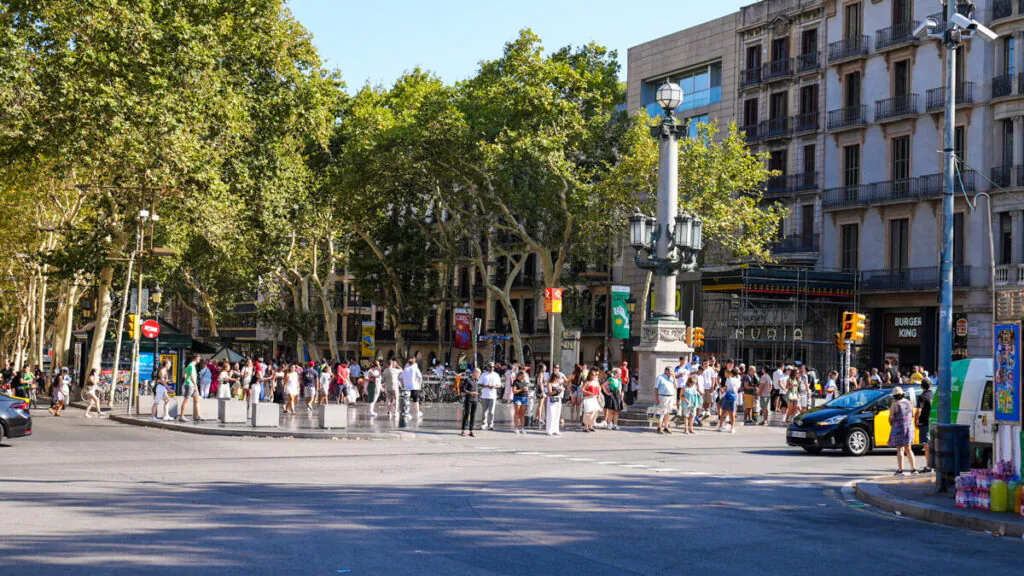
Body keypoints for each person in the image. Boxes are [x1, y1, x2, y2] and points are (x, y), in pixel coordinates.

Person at [888, 387, 918, 475]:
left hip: (898, 429)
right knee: (908, 449)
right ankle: (914, 469)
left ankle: (900, 470)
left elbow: (891, 417)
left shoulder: (895, 404)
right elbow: (912, 414)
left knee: (900, 449)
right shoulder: (909, 402)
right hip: (909, 428)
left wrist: (891, 422)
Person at [916, 378, 934, 473]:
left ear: (921, 386)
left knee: (926, 445)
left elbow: (918, 411)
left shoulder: (922, 397)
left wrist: (916, 421)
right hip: (933, 421)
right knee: (931, 444)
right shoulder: (934, 395)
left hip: (924, 422)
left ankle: (929, 465)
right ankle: (932, 464)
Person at [178, 356, 203, 422]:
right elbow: (191, 376)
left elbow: (184, 374)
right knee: (186, 400)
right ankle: (181, 416)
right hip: (190, 385)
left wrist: (186, 378)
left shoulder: (191, 365)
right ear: (195, 359)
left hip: (192, 384)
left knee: (197, 399)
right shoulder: (191, 365)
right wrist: (195, 385)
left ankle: (198, 416)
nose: (199, 360)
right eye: (199, 359)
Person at [478, 362, 501, 430]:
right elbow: (479, 384)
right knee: (484, 411)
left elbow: (499, 385)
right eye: (490, 367)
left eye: (493, 367)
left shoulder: (496, 375)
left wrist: (494, 387)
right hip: (485, 395)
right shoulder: (484, 374)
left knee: (491, 411)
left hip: (493, 396)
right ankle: (483, 424)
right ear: (487, 367)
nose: (491, 368)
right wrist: (486, 386)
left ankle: (491, 424)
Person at [655, 366, 676, 434]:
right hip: (662, 396)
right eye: (671, 371)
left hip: (670, 397)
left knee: (668, 412)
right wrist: (656, 399)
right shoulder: (660, 377)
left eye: (672, 371)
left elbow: (676, 387)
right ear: (666, 371)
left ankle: (666, 426)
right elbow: (655, 388)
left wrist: (674, 378)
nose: (672, 373)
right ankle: (659, 427)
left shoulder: (672, 378)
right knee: (661, 412)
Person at [459, 368, 480, 436]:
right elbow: (462, 389)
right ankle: (463, 430)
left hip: (475, 400)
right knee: (466, 415)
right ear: (475, 373)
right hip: (469, 399)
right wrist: (470, 393)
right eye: (478, 373)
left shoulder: (476, 381)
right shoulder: (468, 380)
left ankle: (471, 431)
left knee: (473, 415)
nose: (479, 375)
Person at [719, 368, 740, 433]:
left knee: (723, 412)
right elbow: (737, 389)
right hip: (734, 398)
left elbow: (726, 387)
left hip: (727, 397)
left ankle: (720, 426)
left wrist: (723, 389)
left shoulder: (728, 379)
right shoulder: (738, 380)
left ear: (731, 373)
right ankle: (732, 427)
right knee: (732, 413)